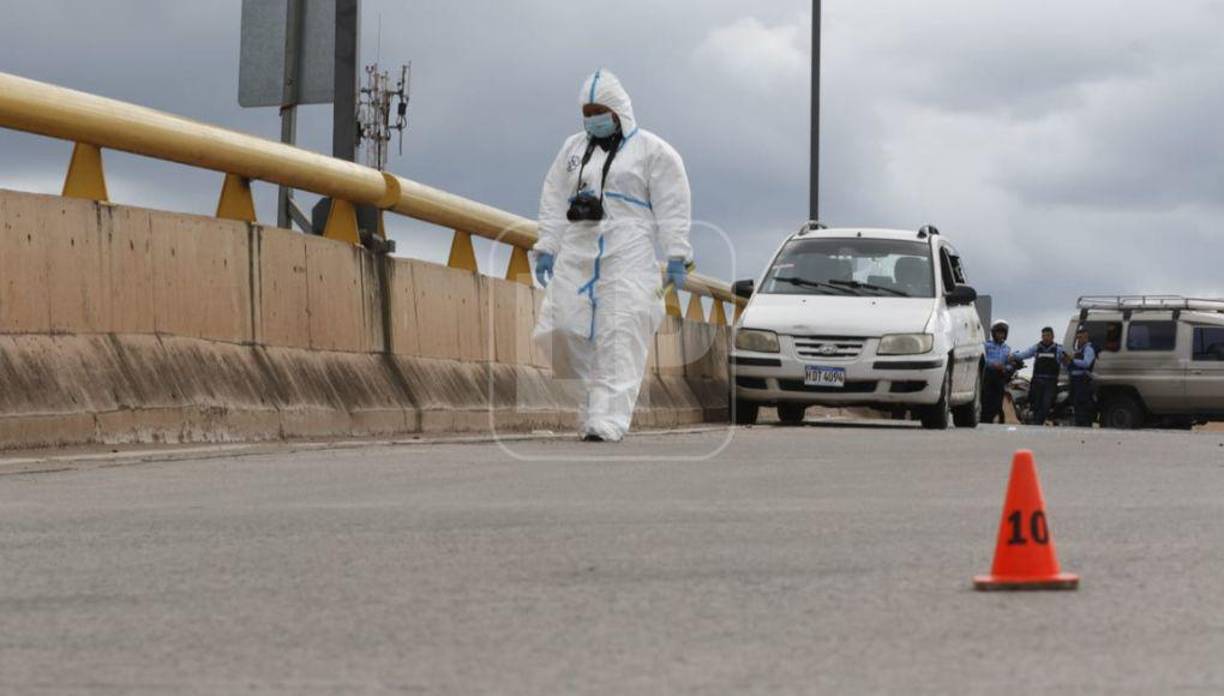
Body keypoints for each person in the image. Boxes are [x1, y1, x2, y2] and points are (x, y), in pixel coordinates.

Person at [532, 69, 693, 442]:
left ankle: (608, 421)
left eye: (599, 110)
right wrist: (547, 245)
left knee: (620, 338)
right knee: (561, 329)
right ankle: (591, 402)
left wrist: (676, 254)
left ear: (619, 110)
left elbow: (672, 203)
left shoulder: (653, 152)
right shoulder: (572, 150)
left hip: (628, 258)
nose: (593, 118)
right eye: (587, 112)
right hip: (577, 253)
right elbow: (553, 197)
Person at [1010, 326, 1064, 426]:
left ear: (1052, 336)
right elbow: (1024, 354)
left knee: (1046, 404)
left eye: (1047, 335)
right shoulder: (1037, 347)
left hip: (1050, 382)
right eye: (1043, 336)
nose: (1045, 338)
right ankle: (1036, 423)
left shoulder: (1058, 349)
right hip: (1037, 381)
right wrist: (1012, 356)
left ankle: (1038, 422)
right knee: (1036, 404)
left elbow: (1066, 361)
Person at [1063, 324, 1097, 427]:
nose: (1079, 340)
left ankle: (1085, 425)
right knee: (1076, 404)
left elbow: (1087, 363)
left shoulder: (1089, 349)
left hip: (1083, 382)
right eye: (1077, 338)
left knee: (1083, 405)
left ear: (1086, 337)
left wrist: (1072, 360)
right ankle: (1079, 424)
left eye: (1081, 338)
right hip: (1075, 381)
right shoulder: (1079, 350)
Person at [982, 319, 1012, 423]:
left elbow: (1009, 364)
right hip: (988, 375)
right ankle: (984, 420)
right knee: (986, 398)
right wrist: (992, 364)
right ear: (994, 333)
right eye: (998, 332)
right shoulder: (986, 345)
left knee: (998, 400)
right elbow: (983, 359)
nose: (1000, 335)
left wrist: (1006, 367)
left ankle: (992, 418)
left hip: (1000, 376)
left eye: (1002, 333)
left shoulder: (1007, 349)